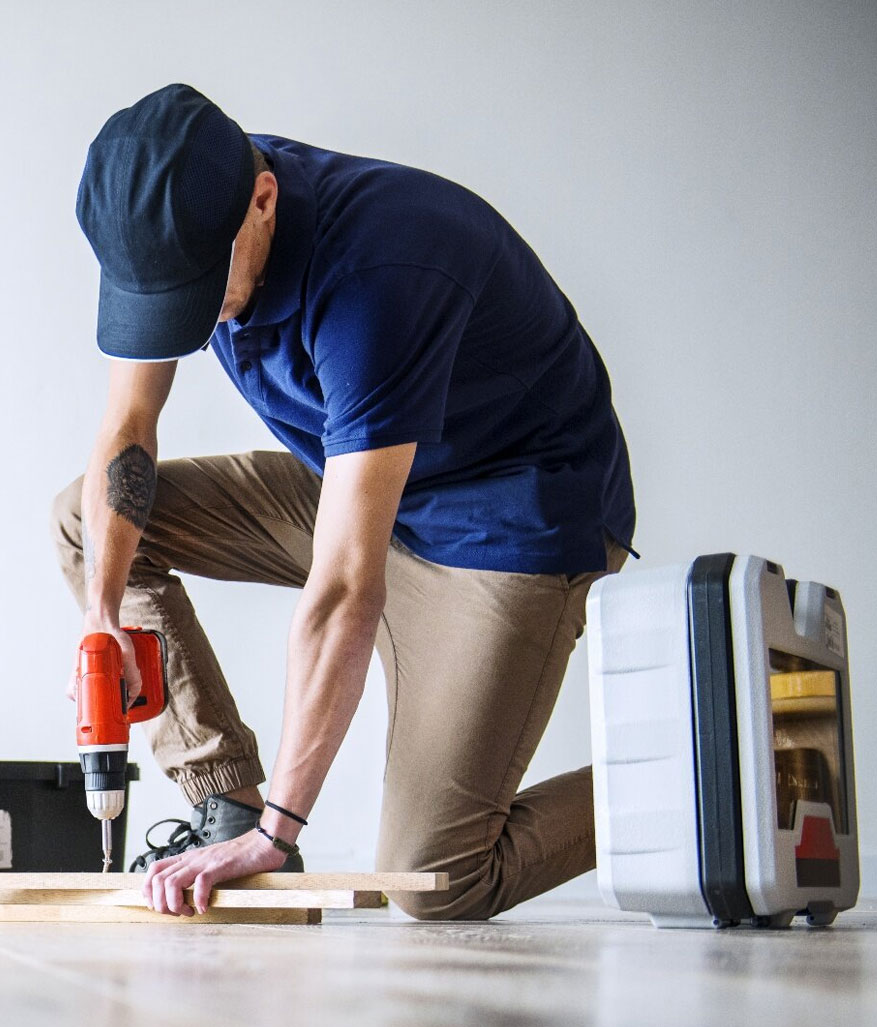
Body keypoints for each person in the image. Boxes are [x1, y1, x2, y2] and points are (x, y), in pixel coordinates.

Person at [53, 83, 635, 920]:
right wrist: (104, 616)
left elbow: (343, 589)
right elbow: (128, 429)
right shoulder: (184, 206)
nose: (191, 319)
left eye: (199, 293)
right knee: (90, 522)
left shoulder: (380, 275)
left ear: (264, 202)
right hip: (360, 480)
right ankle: (227, 805)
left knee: (438, 879)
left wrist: (280, 835)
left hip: (504, 525)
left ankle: (706, 763)